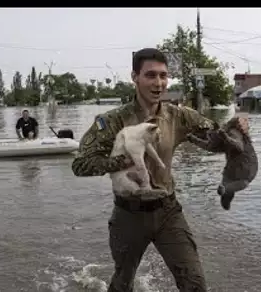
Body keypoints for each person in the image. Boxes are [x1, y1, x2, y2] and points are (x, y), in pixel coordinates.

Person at [71, 48, 249, 292]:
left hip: (168, 212)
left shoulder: (179, 116)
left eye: (163, 76)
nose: (159, 83)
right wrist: (122, 161)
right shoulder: (112, 122)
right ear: (135, 77)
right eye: (150, 75)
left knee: (195, 285)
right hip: (128, 215)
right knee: (122, 284)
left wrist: (235, 128)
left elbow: (217, 141)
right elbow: (80, 164)